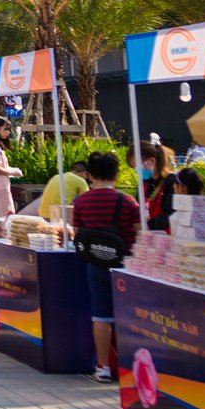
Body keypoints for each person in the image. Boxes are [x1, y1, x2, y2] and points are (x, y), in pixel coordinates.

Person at [71, 150, 143, 383]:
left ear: (90, 176)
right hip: (126, 266)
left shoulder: (81, 202)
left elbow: (78, 234)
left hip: (96, 265)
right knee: (130, 316)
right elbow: (140, 233)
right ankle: (131, 369)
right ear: (117, 174)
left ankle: (102, 367)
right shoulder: (128, 201)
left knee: (101, 316)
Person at [132, 142, 177, 231]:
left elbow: (170, 214)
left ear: (152, 161)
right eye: (133, 167)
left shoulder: (171, 182)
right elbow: (137, 208)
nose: (136, 169)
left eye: (137, 165)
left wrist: (148, 225)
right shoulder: (143, 182)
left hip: (166, 237)